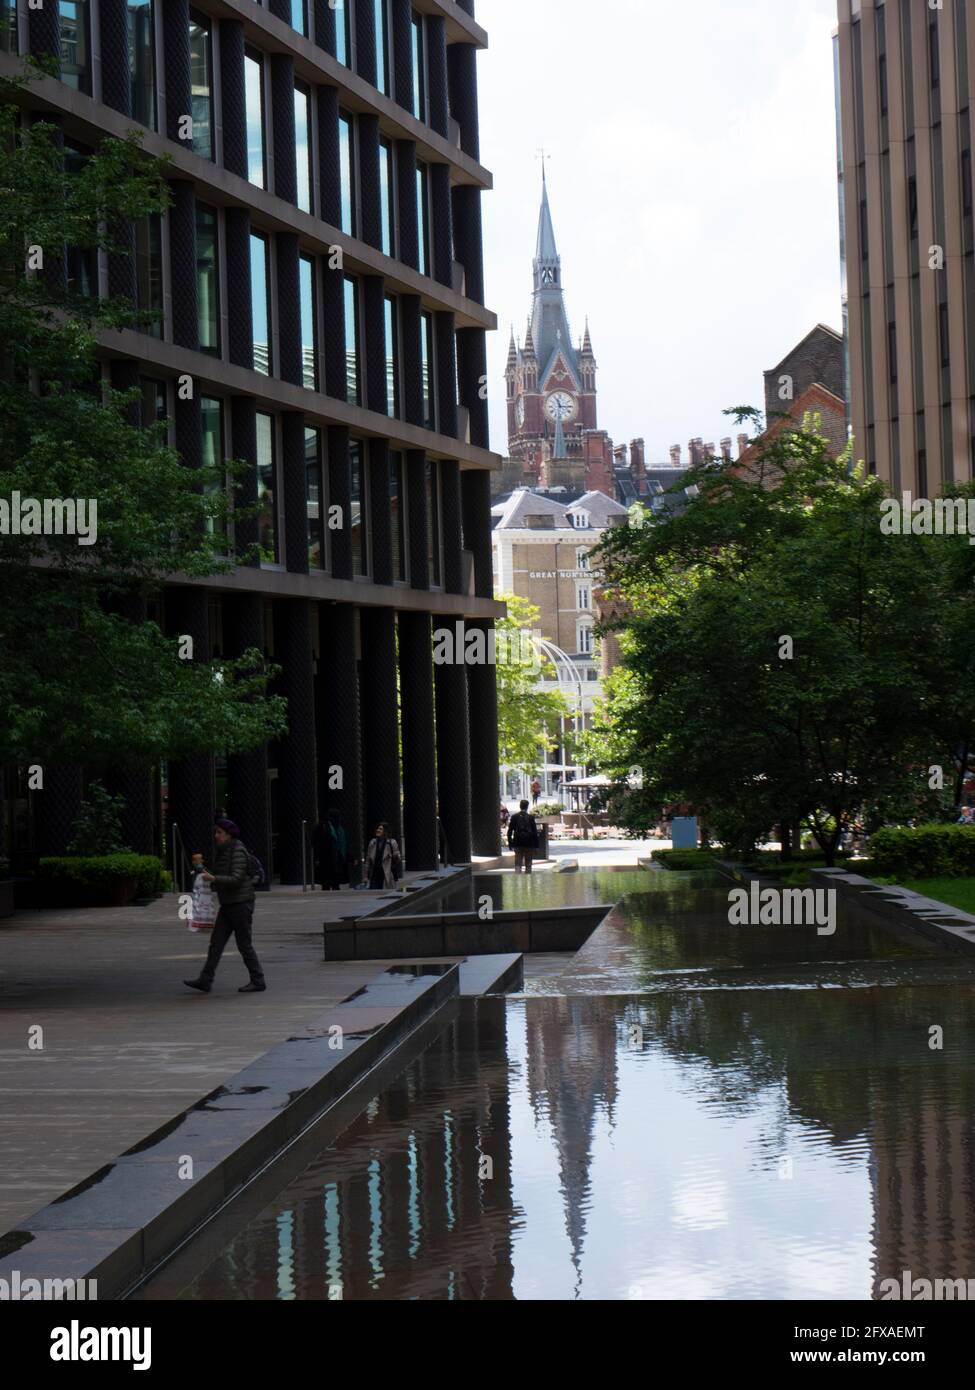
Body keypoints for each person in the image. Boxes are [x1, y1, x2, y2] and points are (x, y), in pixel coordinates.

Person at [184, 819, 266, 994]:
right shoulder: (224, 851)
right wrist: (204, 873)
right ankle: (206, 980)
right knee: (216, 943)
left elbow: (236, 879)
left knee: (244, 944)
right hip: (228, 903)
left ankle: (258, 980)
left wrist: (214, 879)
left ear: (229, 834)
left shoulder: (237, 850)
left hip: (241, 903)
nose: (216, 836)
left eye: (219, 832)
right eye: (216, 832)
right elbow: (220, 876)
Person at [364, 822, 402, 889]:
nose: (378, 830)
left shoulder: (391, 842)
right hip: (374, 874)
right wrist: (365, 876)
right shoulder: (373, 842)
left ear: (385, 831)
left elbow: (398, 858)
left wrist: (396, 856)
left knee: (385, 894)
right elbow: (368, 860)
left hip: (386, 874)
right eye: (378, 828)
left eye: (380, 829)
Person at [319, 808, 349, 890]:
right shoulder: (325, 826)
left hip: (336, 857)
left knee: (335, 878)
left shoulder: (339, 828)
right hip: (328, 856)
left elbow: (343, 843)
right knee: (328, 879)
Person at [508, 799, 539, 874]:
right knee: (528, 864)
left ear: (520, 806)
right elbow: (535, 832)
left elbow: (510, 831)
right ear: (527, 807)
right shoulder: (530, 817)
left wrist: (510, 843)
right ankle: (528, 882)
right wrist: (536, 846)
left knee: (518, 864)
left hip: (517, 843)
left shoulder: (514, 817)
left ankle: (518, 881)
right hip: (529, 844)